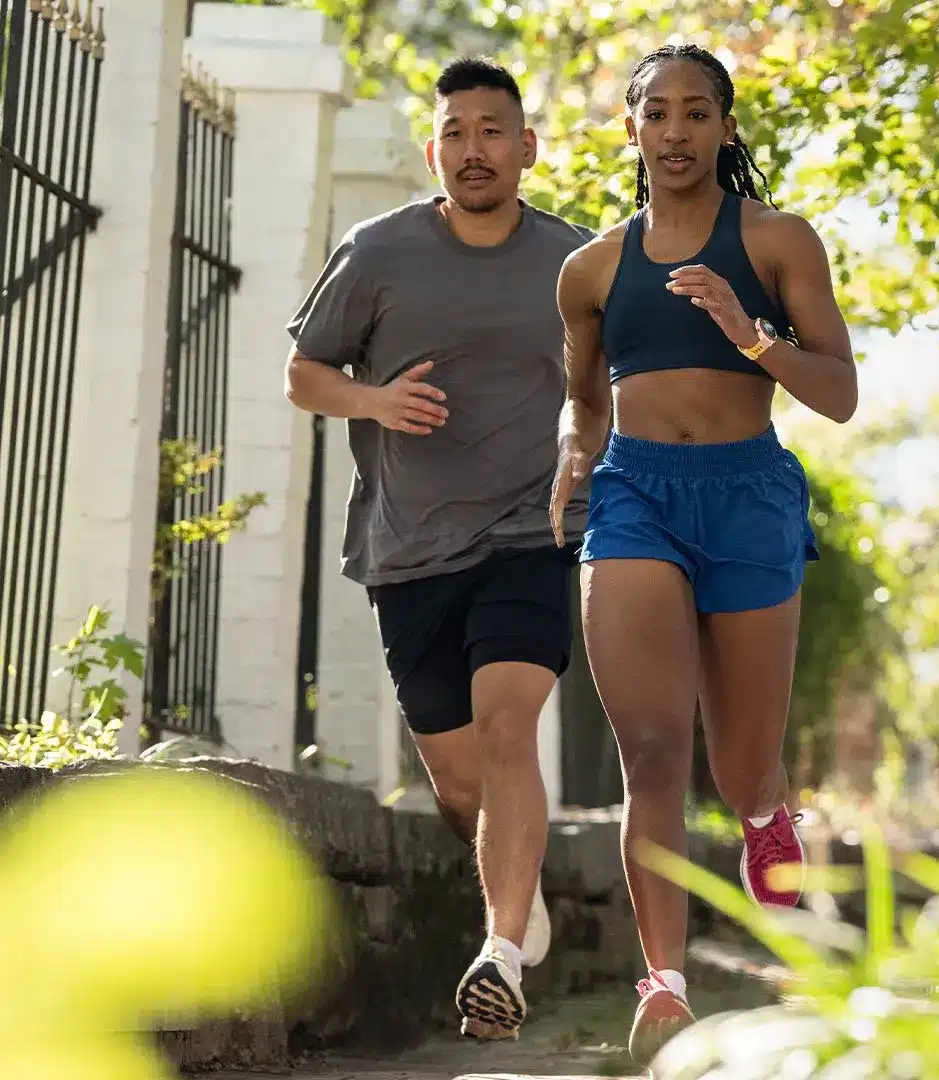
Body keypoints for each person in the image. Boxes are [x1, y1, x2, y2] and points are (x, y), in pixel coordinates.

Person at [548, 43, 858, 1062]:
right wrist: (570, 458)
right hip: (635, 493)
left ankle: (769, 812)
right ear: (631, 131)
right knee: (650, 751)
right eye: (657, 115)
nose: (675, 133)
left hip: (750, 498)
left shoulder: (777, 242)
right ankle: (667, 986)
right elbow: (585, 396)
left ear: (726, 129)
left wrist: (750, 333)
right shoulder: (590, 269)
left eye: (696, 114)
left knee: (738, 767)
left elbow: (840, 394)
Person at [284, 56, 593, 1042]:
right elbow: (303, 375)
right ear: (434, 149)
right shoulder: (377, 252)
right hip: (410, 549)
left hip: (531, 534)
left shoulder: (576, 263)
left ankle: (499, 951)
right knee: (463, 787)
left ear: (526, 147)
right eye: (456, 132)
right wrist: (372, 399)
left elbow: (613, 389)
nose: (474, 149)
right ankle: (520, 892)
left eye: (492, 130)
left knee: (510, 731)